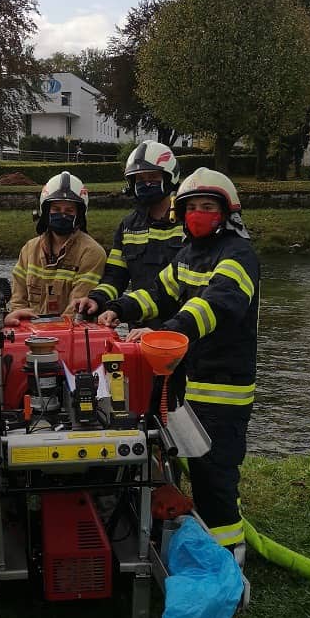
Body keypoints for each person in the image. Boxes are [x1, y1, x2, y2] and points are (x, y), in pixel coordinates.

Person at [100, 168, 259, 565]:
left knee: (215, 473)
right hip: (192, 384)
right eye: (192, 207)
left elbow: (214, 305)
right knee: (193, 467)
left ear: (226, 213)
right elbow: (158, 292)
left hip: (224, 389)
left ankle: (227, 557)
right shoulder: (189, 254)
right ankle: (201, 536)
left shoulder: (238, 255)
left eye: (208, 207)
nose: (198, 214)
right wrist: (118, 308)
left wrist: (166, 332)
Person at [74, 140, 184, 325]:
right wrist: (97, 299)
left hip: (180, 327)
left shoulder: (187, 222)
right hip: (138, 327)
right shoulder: (128, 226)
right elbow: (115, 276)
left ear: (169, 178)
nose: (146, 183)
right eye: (139, 179)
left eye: (152, 177)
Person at [5, 171, 106, 326]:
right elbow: (18, 301)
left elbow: (77, 307)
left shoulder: (92, 253)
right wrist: (21, 323)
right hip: (31, 334)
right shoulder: (29, 250)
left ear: (79, 214)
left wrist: (50, 331)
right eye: (56, 209)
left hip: (73, 333)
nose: (62, 215)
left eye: (69, 210)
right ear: (46, 212)